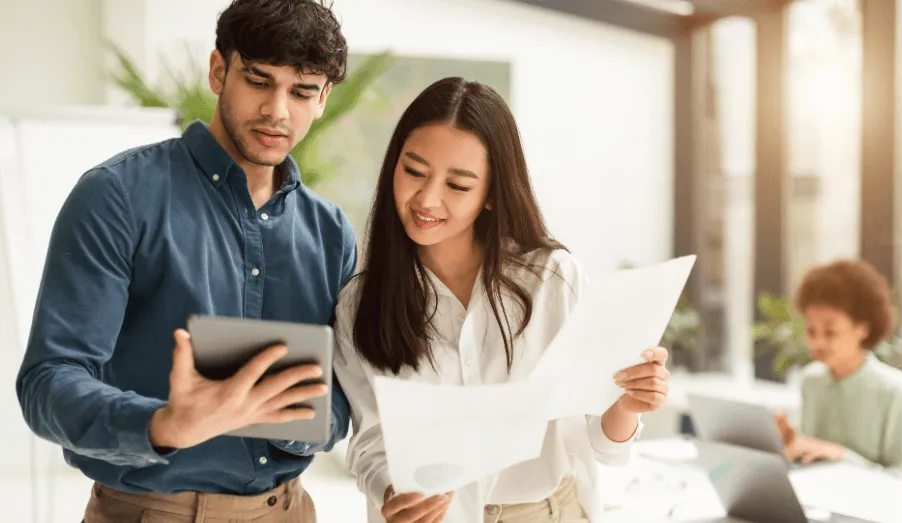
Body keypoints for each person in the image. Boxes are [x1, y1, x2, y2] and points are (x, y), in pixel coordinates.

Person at [15, 1, 357, 521]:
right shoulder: (117, 197)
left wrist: (299, 419)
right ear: (219, 71)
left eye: (302, 91)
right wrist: (164, 425)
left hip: (290, 510)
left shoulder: (331, 233)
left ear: (323, 97)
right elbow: (49, 382)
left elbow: (342, 400)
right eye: (259, 81)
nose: (277, 111)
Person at [331, 77, 673, 523]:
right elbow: (371, 437)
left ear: (491, 194)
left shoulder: (552, 279)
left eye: (458, 185)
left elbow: (601, 444)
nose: (427, 199)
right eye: (414, 171)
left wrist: (630, 402)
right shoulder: (361, 301)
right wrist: (393, 488)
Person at [774, 259, 902, 479]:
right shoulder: (811, 381)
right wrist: (788, 444)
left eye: (830, 332)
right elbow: (810, 458)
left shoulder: (898, 392)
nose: (818, 343)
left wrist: (842, 456)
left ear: (862, 329)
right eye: (812, 331)